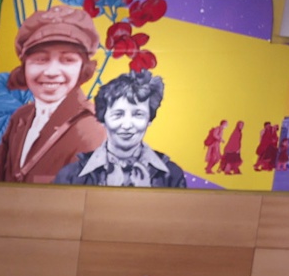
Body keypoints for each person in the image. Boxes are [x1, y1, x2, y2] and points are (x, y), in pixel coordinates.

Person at [0, 5, 105, 184]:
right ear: (25, 67)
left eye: (67, 60)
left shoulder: (90, 129)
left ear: (83, 68)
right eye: (40, 59)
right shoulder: (20, 118)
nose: (52, 71)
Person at [54, 71, 189, 188]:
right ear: (103, 119)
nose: (127, 125)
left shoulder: (171, 175)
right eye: (118, 114)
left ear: (149, 120)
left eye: (138, 114)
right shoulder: (70, 175)